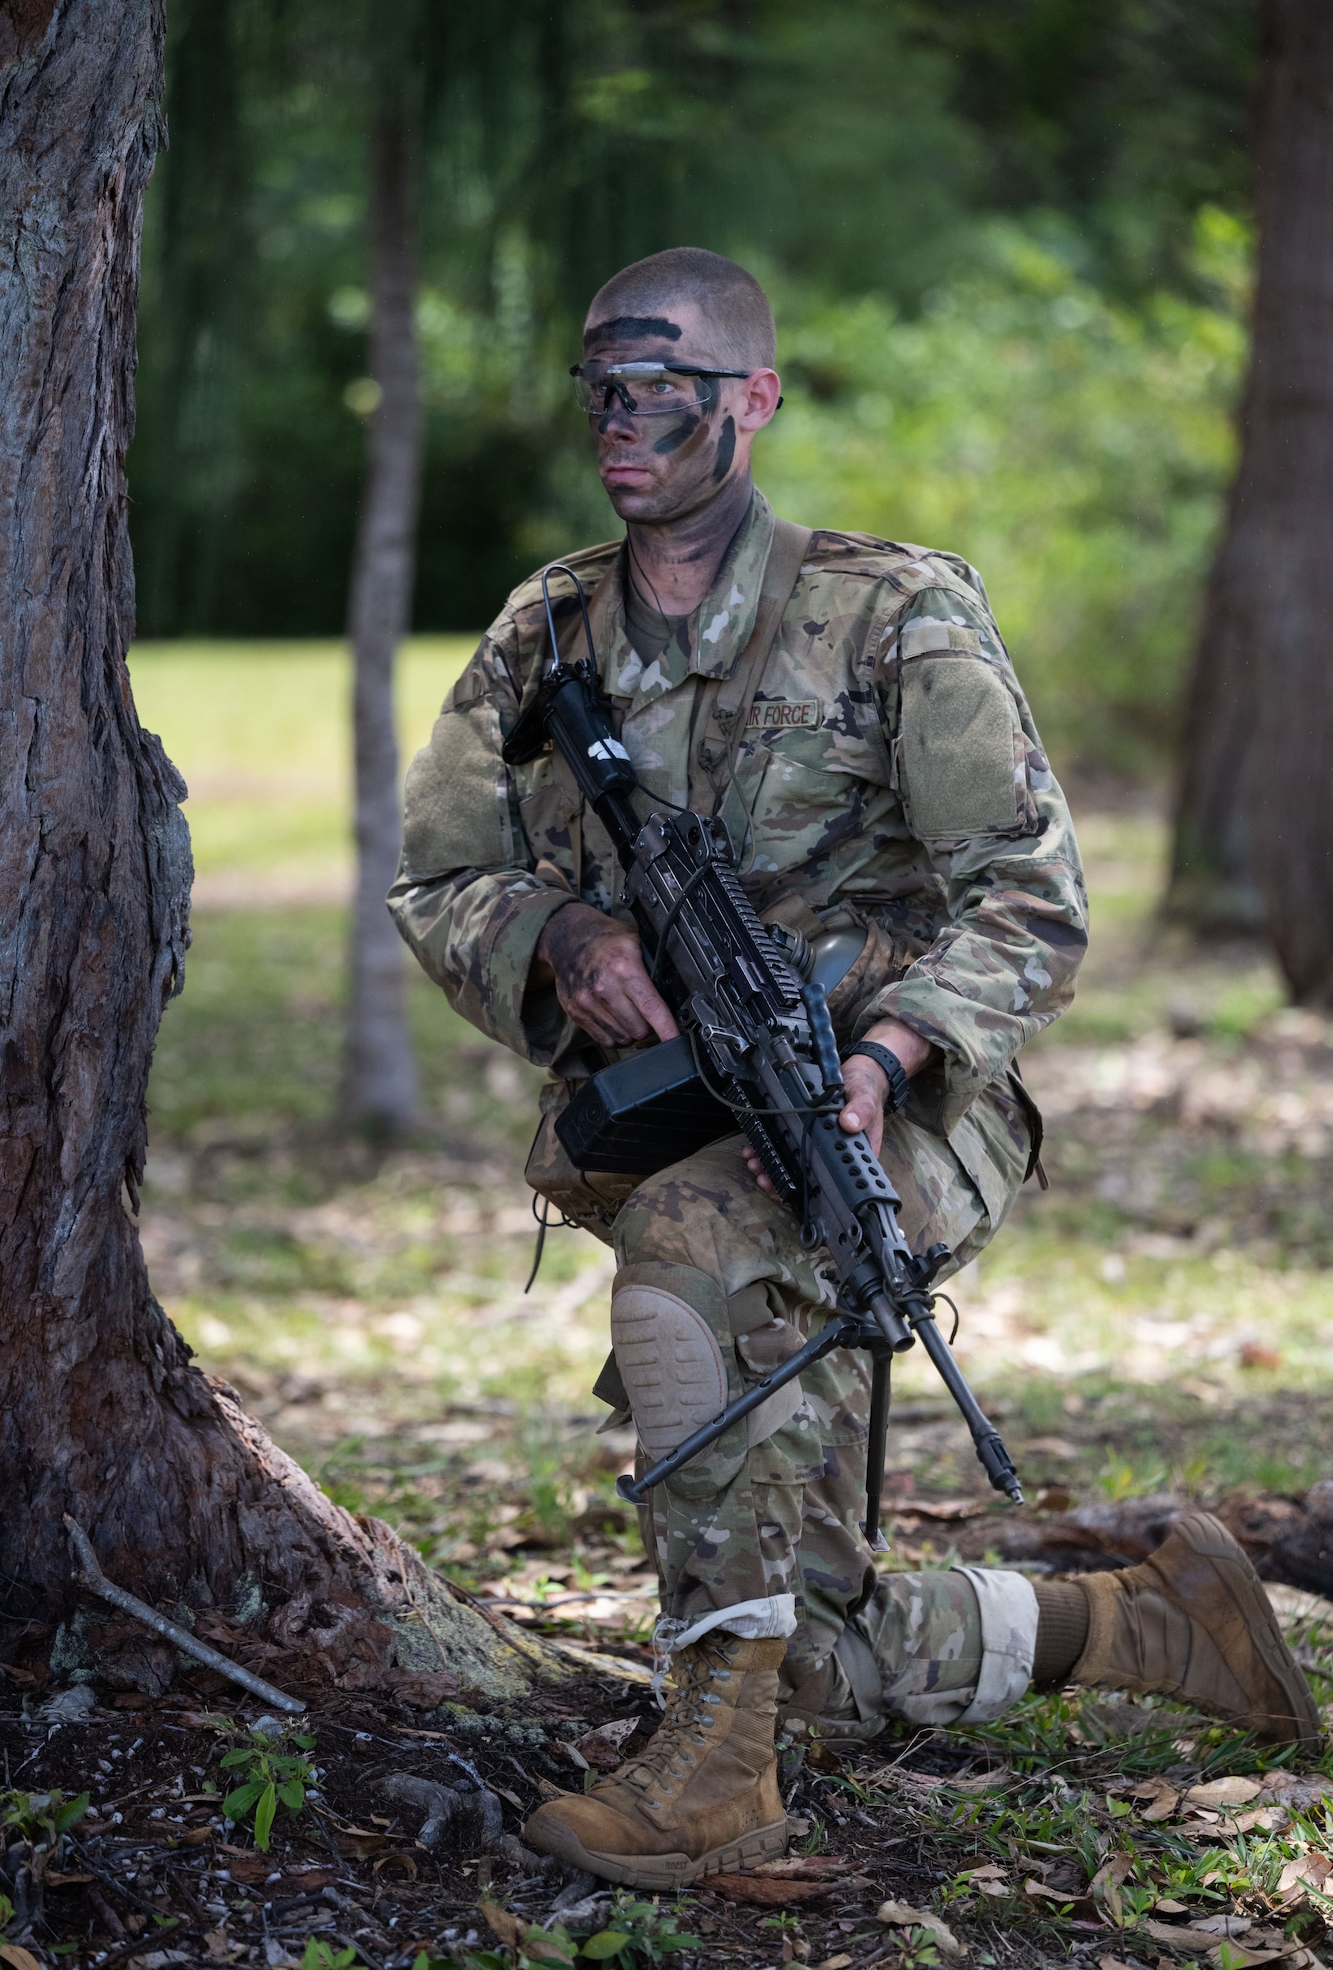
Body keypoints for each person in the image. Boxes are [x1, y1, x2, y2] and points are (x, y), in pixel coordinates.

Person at [390, 248, 1318, 1888]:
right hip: (679, 1115)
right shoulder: (547, 626)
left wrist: (888, 1055)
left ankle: (712, 1788)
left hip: (906, 1110)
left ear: (749, 400)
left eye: (661, 390)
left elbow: (1031, 897)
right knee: (807, 1645)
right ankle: (1151, 1631)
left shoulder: (889, 612)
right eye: (600, 390)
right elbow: (438, 870)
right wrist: (555, 940)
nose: (622, 421)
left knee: (696, 1258)